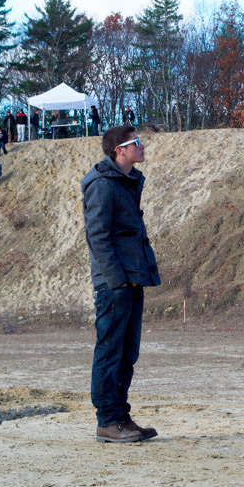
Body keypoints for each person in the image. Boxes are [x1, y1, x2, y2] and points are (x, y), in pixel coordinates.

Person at [81, 125, 160, 443]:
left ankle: (121, 418)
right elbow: (97, 236)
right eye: (136, 143)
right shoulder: (101, 184)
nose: (142, 147)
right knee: (110, 351)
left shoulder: (125, 181)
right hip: (115, 282)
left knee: (128, 352)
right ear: (120, 150)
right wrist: (116, 281)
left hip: (132, 277)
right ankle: (107, 421)